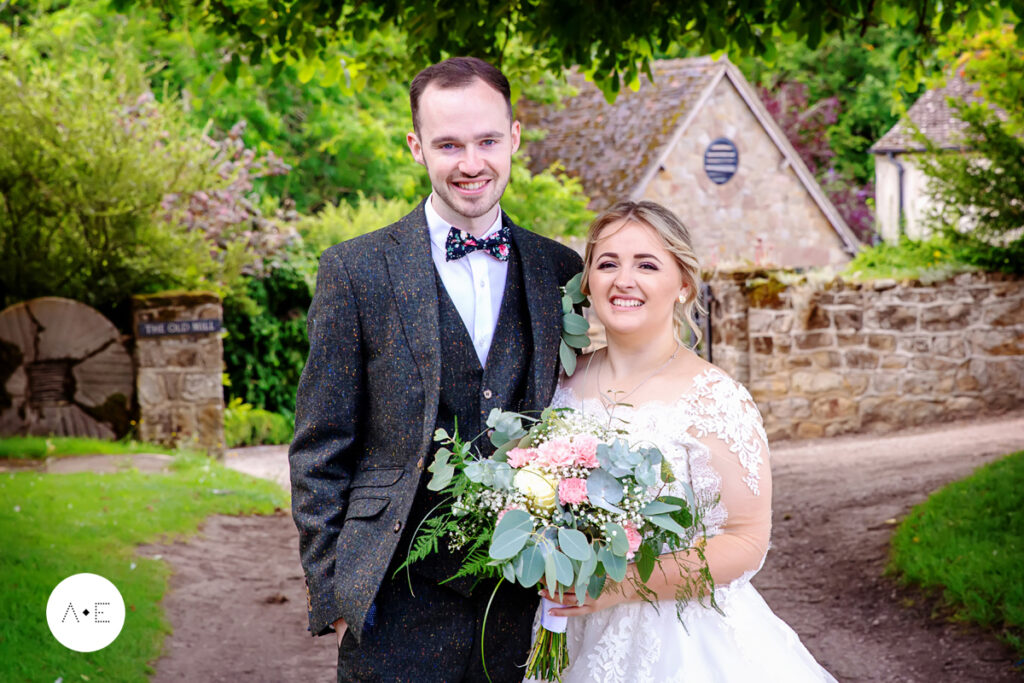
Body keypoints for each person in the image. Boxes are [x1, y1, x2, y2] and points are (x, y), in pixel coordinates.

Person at [289, 56, 582, 683]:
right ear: (416, 147)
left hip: (524, 598)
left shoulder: (558, 269)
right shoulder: (356, 271)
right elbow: (320, 445)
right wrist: (336, 593)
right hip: (393, 596)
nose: (471, 163)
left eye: (486, 141)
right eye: (449, 144)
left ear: (515, 138)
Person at [538, 200, 837, 682]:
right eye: (607, 263)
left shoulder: (715, 399)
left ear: (683, 286)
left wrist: (622, 584)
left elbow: (746, 540)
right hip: (565, 631)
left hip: (680, 640)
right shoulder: (558, 384)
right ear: (587, 280)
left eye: (647, 265)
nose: (624, 280)